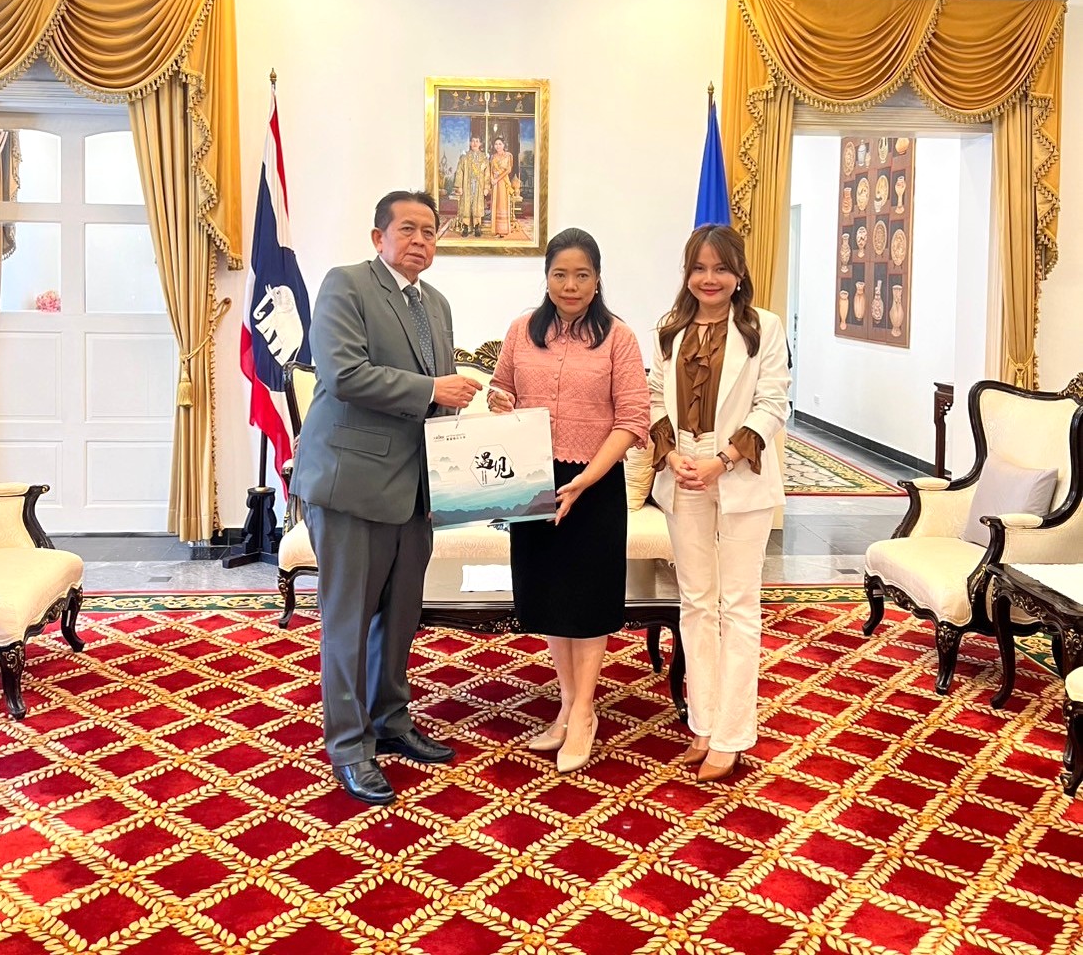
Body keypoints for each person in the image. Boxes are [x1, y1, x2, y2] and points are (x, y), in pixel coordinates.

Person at [289, 190, 482, 806]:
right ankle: (350, 746)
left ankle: (391, 721)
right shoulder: (346, 285)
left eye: (430, 231)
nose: (421, 240)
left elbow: (436, 397)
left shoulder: (437, 303)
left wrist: (477, 400)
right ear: (379, 237)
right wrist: (434, 388)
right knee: (348, 621)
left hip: (415, 487)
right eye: (408, 229)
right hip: (351, 481)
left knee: (400, 617)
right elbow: (343, 374)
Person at [488, 228, 650, 773]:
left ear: (597, 279)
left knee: (587, 598)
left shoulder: (619, 338)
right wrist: (500, 402)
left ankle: (584, 713)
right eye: (560, 274)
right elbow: (502, 390)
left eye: (582, 275)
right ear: (546, 277)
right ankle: (566, 704)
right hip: (534, 480)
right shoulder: (520, 331)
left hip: (595, 481)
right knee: (551, 597)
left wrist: (585, 481)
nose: (571, 285)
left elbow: (633, 419)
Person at [648, 224, 790, 783]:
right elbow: (653, 397)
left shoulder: (763, 328)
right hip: (683, 471)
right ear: (687, 272)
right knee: (696, 602)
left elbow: (773, 404)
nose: (710, 279)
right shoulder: (669, 328)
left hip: (738, 471)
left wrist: (723, 459)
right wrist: (670, 454)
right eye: (699, 268)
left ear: (739, 273)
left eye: (721, 268)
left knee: (739, 604)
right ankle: (703, 724)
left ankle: (732, 735)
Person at [453, 134, 490, 236]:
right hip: (466, 185)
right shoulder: (464, 157)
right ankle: (465, 227)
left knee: (477, 205)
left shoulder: (484, 158)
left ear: (480, 143)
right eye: (473, 141)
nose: (475, 143)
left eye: (477, 141)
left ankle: (477, 227)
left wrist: (486, 187)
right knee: (466, 205)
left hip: (479, 186)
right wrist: (459, 186)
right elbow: (459, 171)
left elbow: (487, 174)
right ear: (470, 143)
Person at [488, 136, 514, 237]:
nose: (498, 146)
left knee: (502, 203)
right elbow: (490, 169)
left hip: (503, 182)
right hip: (495, 184)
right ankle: (496, 230)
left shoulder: (508, 156)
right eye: (496, 144)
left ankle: (503, 230)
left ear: (504, 145)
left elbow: (508, 170)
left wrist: (497, 179)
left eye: (500, 144)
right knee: (495, 204)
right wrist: (492, 179)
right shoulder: (493, 157)